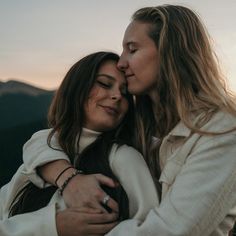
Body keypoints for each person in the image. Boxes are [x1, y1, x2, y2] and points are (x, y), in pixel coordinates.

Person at [22, 4, 236, 236]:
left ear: (169, 52)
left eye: (132, 50)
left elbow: (171, 230)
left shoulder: (221, 130)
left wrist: (53, 228)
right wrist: (68, 178)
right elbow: (48, 140)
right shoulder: (143, 126)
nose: (121, 63)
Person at [0, 51, 159, 236]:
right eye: (104, 84)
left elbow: (151, 229)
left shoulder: (124, 158)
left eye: (125, 92)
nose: (117, 95)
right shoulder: (41, 158)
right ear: (77, 87)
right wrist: (54, 226)